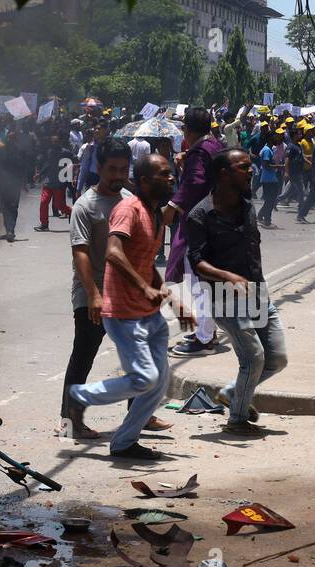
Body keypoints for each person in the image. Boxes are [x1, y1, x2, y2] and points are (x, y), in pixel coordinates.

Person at [67, 153, 192, 461]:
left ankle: (124, 441)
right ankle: (80, 397)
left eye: (171, 173)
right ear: (146, 181)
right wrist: (137, 288)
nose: (172, 178)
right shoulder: (128, 209)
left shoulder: (155, 214)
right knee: (144, 377)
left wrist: (173, 300)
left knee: (159, 382)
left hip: (146, 312)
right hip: (122, 311)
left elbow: (146, 263)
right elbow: (112, 252)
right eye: (165, 175)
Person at [185, 147, 288, 438]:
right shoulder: (200, 214)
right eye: (244, 167)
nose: (251, 170)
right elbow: (197, 262)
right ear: (224, 174)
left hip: (257, 293)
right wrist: (228, 276)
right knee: (253, 358)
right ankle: (237, 420)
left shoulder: (246, 205)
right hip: (226, 300)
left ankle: (232, 393)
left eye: (250, 165)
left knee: (277, 358)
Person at [62, 138, 131, 439]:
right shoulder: (85, 206)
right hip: (92, 292)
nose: (118, 175)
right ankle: (69, 421)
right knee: (84, 356)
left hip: (124, 292)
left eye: (123, 169)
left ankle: (139, 411)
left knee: (136, 354)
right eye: (112, 169)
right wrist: (93, 293)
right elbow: (80, 252)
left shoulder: (129, 200)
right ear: (99, 168)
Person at [164, 107, 225, 357]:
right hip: (215, 220)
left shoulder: (200, 151)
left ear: (187, 130)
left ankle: (204, 339)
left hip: (200, 224)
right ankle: (206, 331)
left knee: (197, 281)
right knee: (201, 281)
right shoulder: (214, 146)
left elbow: (196, 183)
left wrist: (173, 205)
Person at [35, 132, 72, 231]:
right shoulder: (49, 152)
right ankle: (44, 224)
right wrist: (40, 173)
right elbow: (47, 164)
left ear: (60, 142)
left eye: (56, 141)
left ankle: (72, 213)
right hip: (48, 182)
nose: (54, 143)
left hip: (59, 183)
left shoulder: (66, 153)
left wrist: (70, 180)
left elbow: (72, 165)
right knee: (43, 202)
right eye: (53, 142)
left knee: (59, 205)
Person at [257, 128, 284, 228]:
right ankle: (267, 221)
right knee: (270, 201)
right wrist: (279, 167)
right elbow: (266, 165)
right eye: (275, 137)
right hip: (268, 179)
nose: (278, 139)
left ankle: (260, 216)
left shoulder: (268, 149)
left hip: (270, 178)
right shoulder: (267, 150)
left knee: (270, 200)